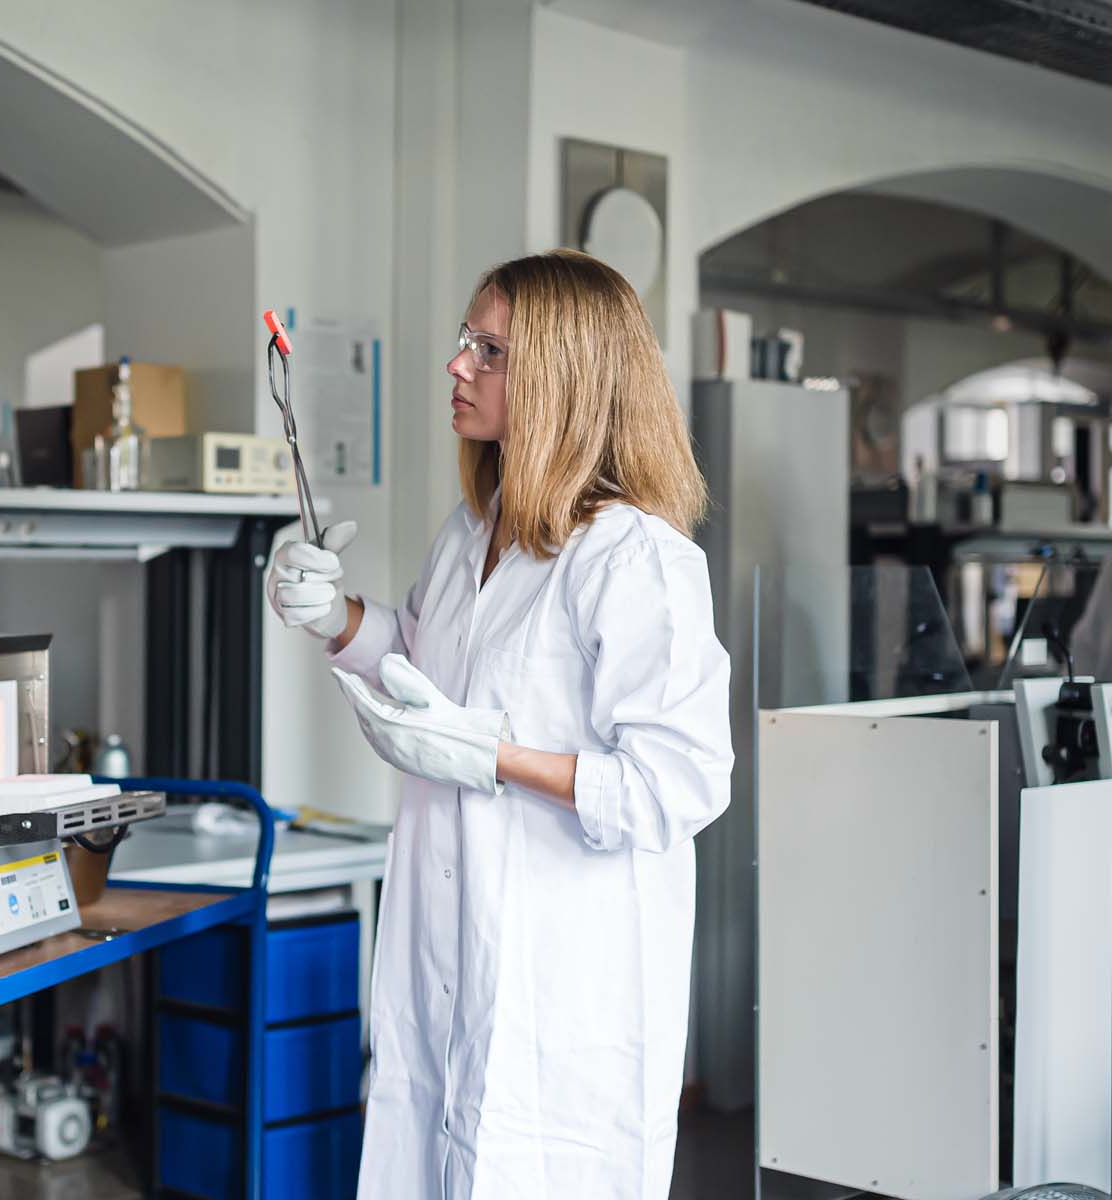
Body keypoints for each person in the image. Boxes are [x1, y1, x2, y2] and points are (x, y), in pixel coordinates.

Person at [264, 250, 734, 1198]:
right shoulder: (471, 532)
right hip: (443, 957)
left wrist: (492, 756)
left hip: (560, 997)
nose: (457, 365)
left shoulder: (635, 556)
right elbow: (427, 659)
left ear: (565, 376)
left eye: (491, 349)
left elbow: (679, 782)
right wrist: (336, 618)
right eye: (464, 341)